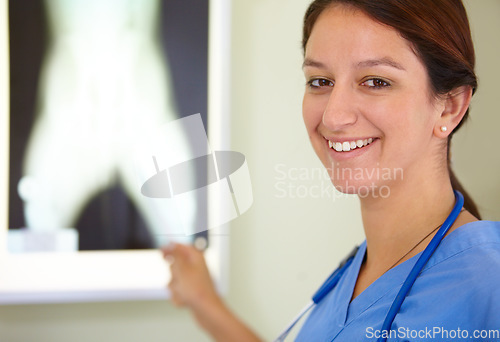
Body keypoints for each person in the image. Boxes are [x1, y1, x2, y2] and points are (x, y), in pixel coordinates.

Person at [163, 0, 500, 341]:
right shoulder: (360, 270)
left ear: (450, 107)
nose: (333, 117)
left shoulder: (487, 285)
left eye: (376, 81)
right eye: (321, 81)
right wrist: (206, 304)